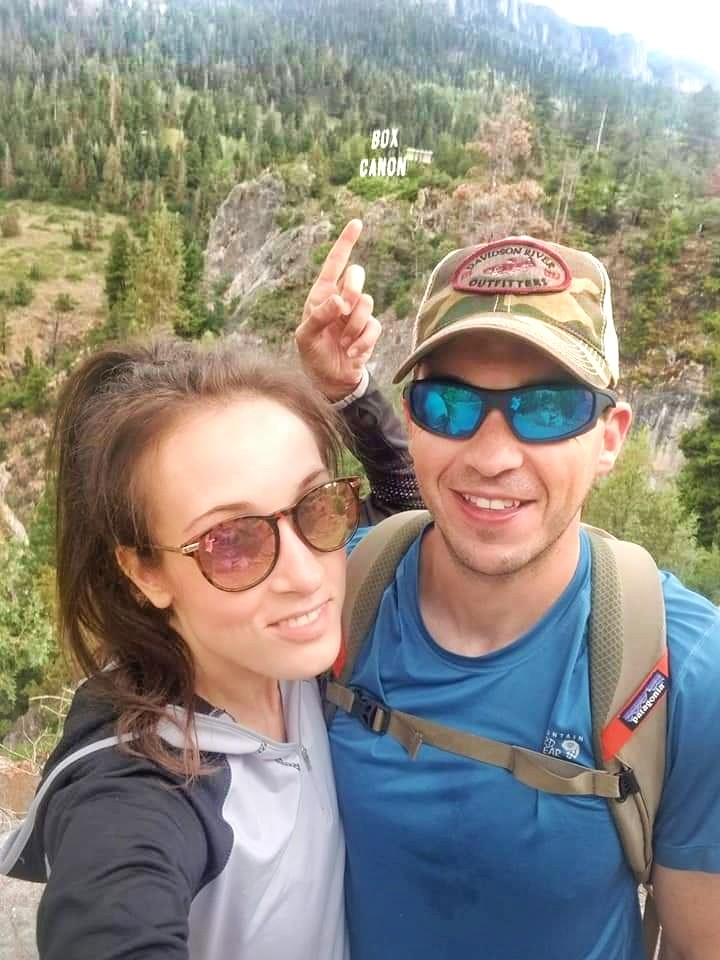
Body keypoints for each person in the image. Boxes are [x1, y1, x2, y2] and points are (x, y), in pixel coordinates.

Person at [0, 224, 418, 959]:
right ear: (145, 571)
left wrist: (348, 393)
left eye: (318, 506)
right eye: (232, 541)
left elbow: (411, 510)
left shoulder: (291, 657)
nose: (303, 570)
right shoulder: (140, 783)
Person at [297, 234, 720, 959]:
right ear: (414, 417)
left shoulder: (685, 670)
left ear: (611, 437)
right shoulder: (341, 593)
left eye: (550, 408)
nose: (492, 458)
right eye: (451, 405)